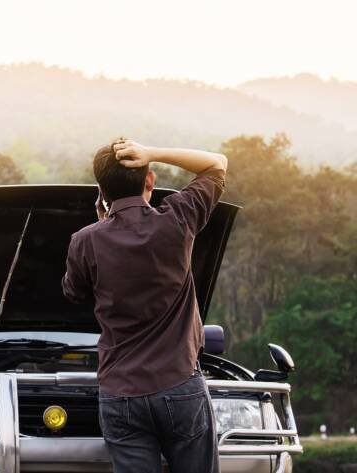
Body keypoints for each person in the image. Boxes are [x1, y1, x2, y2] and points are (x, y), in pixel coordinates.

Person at [62, 139, 227, 473]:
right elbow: (216, 164)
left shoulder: (85, 240)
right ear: (150, 180)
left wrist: (100, 227)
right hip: (180, 385)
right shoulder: (178, 220)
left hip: (121, 395)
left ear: (101, 190)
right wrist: (153, 153)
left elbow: (73, 293)